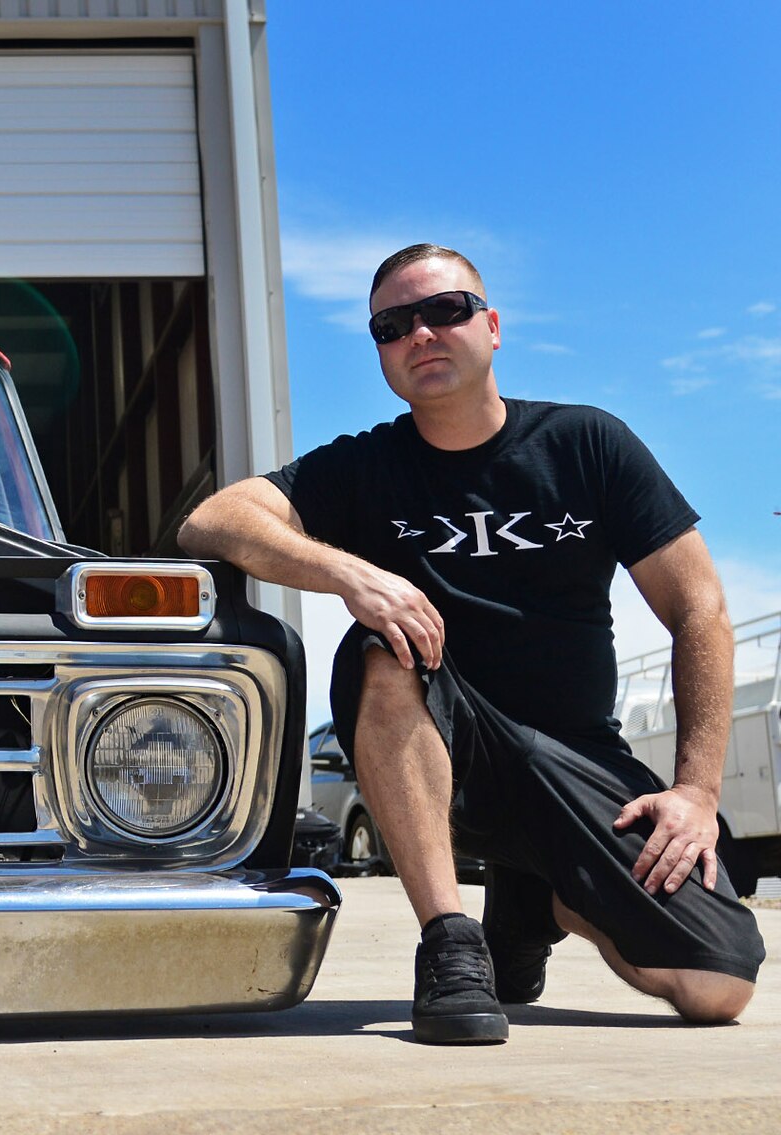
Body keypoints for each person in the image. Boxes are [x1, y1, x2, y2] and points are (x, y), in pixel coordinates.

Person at [180, 242, 765, 1044]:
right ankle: (450, 942)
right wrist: (349, 574)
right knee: (384, 646)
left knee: (716, 982)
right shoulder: (364, 468)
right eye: (393, 324)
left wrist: (696, 791)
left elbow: (699, 609)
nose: (420, 333)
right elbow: (212, 520)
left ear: (490, 325)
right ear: (382, 350)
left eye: (444, 311)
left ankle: (535, 902)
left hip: (575, 758)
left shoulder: (587, 445)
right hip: (443, 749)